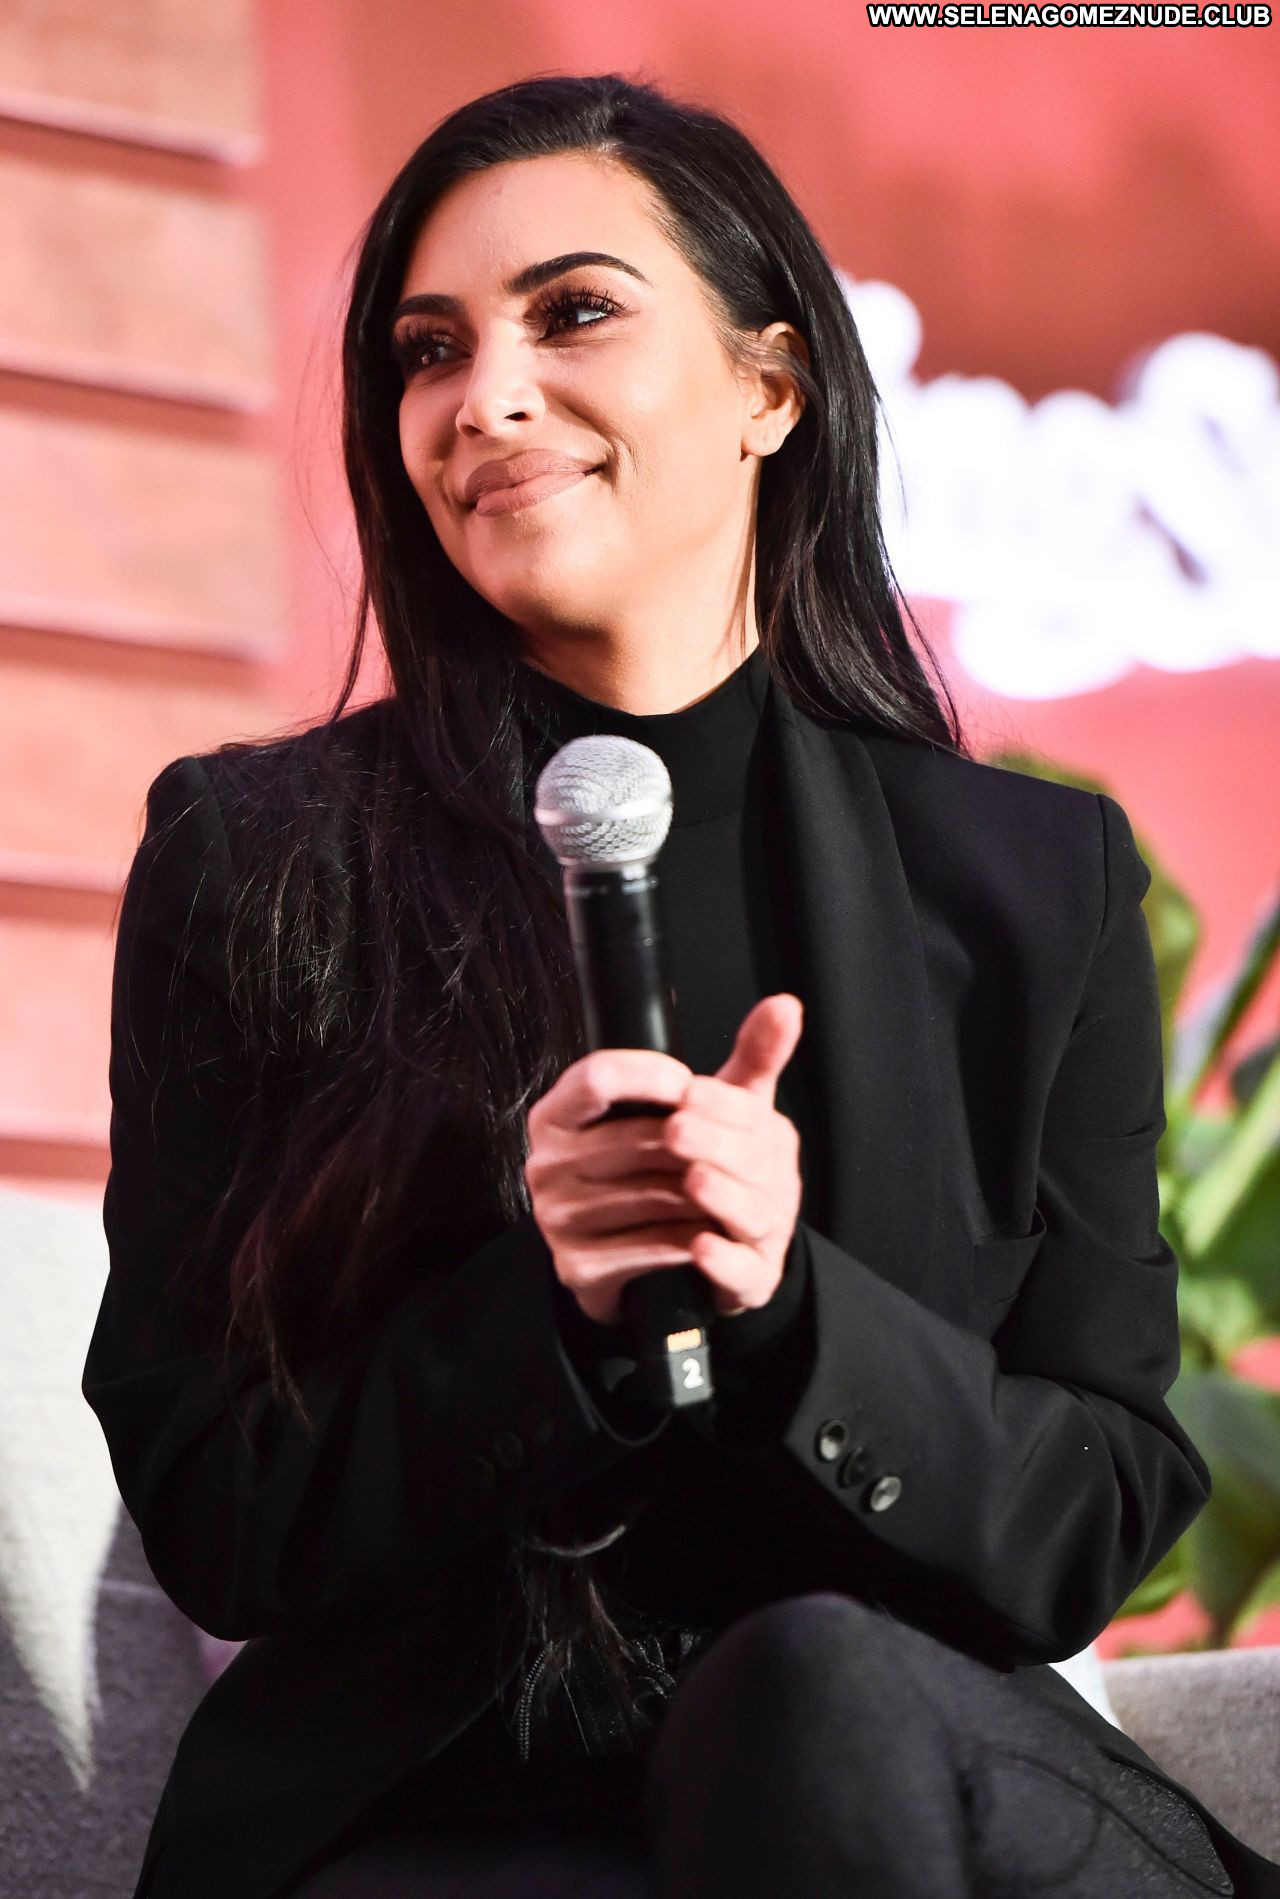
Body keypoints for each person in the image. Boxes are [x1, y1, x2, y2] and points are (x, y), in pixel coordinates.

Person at [82, 72, 1280, 1899]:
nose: (482, 398)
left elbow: (1086, 1517)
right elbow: (215, 1510)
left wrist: (792, 1307)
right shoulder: (257, 863)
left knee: (810, 1701)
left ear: (770, 388)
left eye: (572, 312)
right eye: (427, 350)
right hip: (454, 1805)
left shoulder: (1034, 884)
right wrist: (552, 1307)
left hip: (906, 1762)